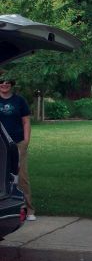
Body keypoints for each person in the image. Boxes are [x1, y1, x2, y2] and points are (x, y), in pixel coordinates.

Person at [0, 79, 36, 221]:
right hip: (1, 144)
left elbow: (26, 121)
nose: (4, 84)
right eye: (1, 82)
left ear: (12, 85)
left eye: (8, 82)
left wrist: (26, 141)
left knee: (22, 176)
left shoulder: (19, 101)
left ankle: (29, 210)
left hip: (17, 143)